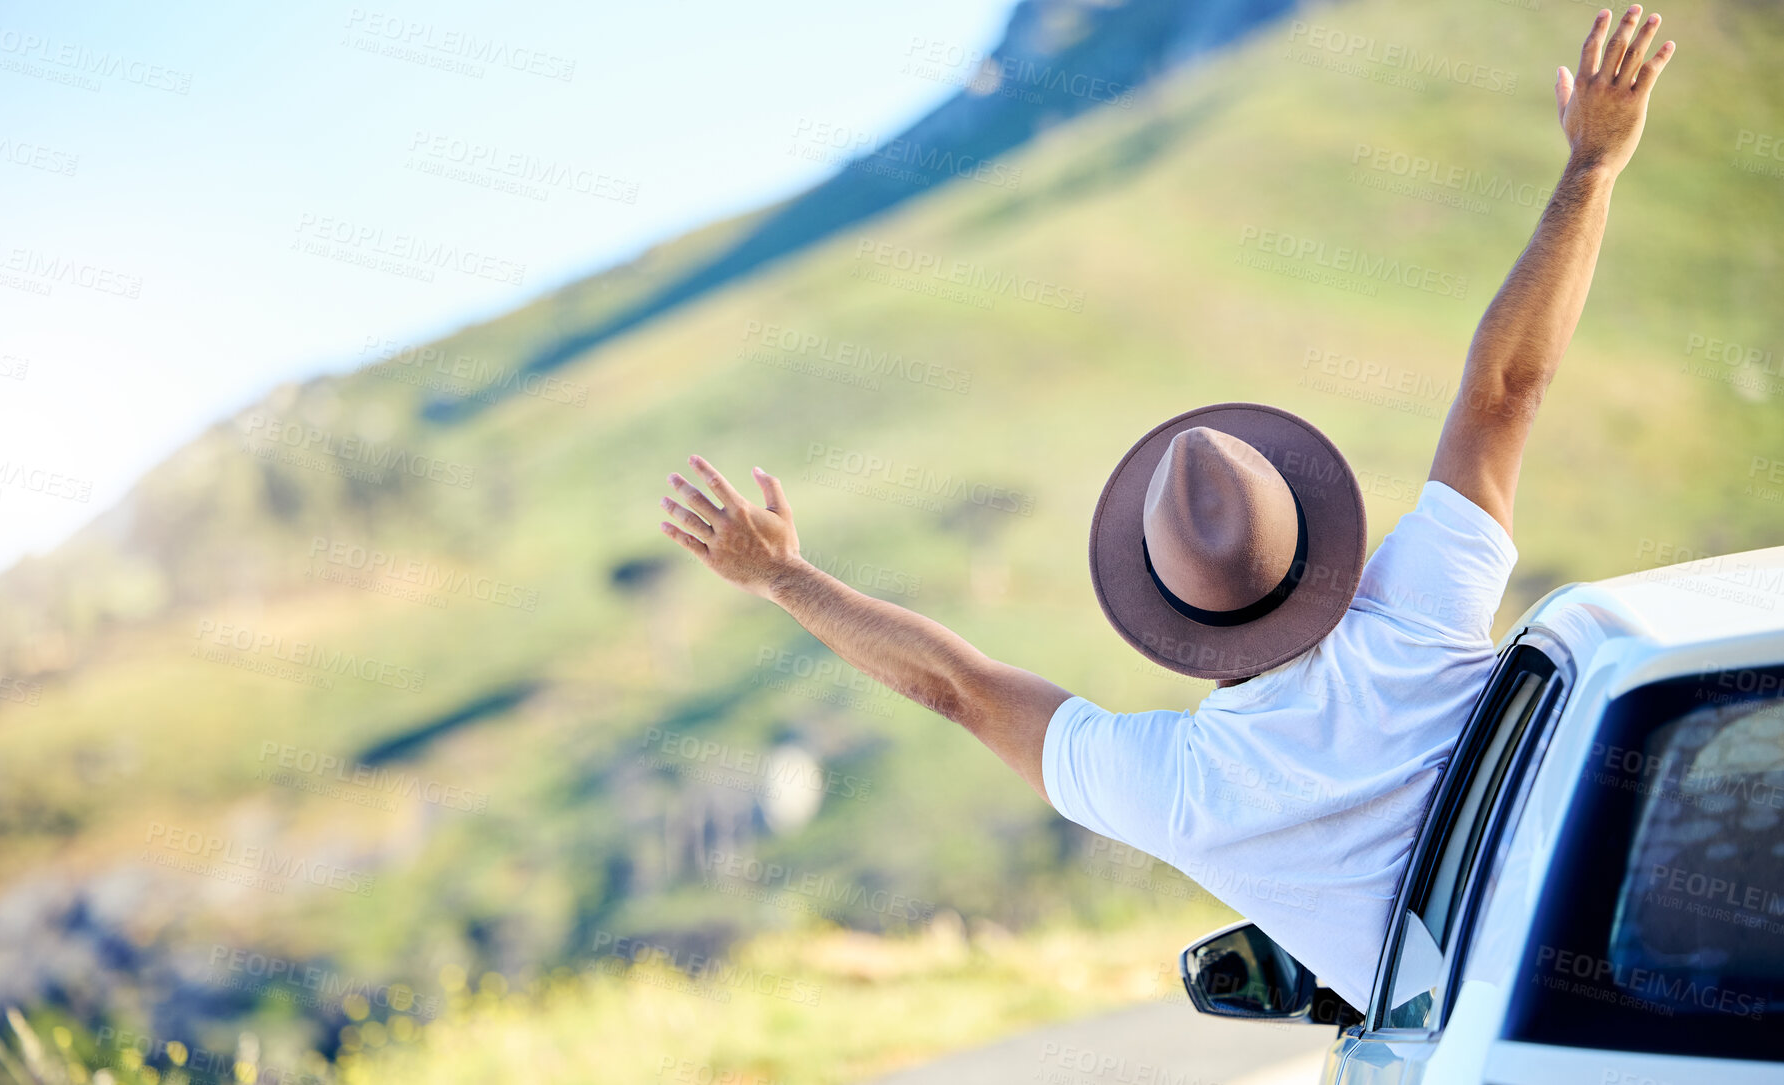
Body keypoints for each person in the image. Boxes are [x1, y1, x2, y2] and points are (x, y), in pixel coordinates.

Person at [655, 6, 1674, 1013]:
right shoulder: (1415, 613)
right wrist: (1592, 166)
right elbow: (1503, 391)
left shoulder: (1182, 787)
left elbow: (955, 686)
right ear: (1319, 547)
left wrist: (781, 576)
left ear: (1167, 617)